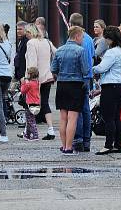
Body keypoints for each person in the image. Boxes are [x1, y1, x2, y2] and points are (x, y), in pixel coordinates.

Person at [51, 26, 90, 155]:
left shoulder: (59, 50)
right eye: (82, 37)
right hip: (75, 85)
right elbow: (85, 70)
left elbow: (53, 69)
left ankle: (63, 145)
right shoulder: (80, 51)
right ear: (77, 36)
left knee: (63, 118)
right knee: (72, 118)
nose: (82, 40)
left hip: (62, 85)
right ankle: (69, 147)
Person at [93, 26, 121, 155]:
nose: (105, 41)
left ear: (110, 39)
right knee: (116, 117)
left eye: (106, 39)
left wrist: (92, 69)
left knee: (108, 117)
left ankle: (108, 145)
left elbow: (102, 68)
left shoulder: (112, 52)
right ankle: (118, 145)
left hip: (111, 86)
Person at [25, 24, 57, 140]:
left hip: (35, 79)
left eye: (27, 32)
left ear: (31, 32)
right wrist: (52, 68)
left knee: (30, 104)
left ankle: (30, 131)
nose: (26, 34)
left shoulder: (31, 43)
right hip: (47, 77)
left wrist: (29, 78)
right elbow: (56, 53)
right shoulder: (47, 42)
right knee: (44, 103)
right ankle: (51, 129)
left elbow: (32, 63)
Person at [70, 13, 95, 152]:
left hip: (77, 76)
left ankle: (78, 138)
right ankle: (87, 140)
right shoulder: (90, 39)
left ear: (71, 24)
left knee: (76, 110)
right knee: (86, 109)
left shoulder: (74, 38)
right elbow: (92, 56)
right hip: (89, 76)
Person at [20, 67, 41, 141]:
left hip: (30, 104)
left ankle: (35, 135)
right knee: (29, 120)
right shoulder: (37, 82)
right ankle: (27, 135)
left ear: (30, 75)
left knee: (30, 120)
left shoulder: (29, 84)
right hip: (37, 103)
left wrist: (23, 83)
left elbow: (23, 91)